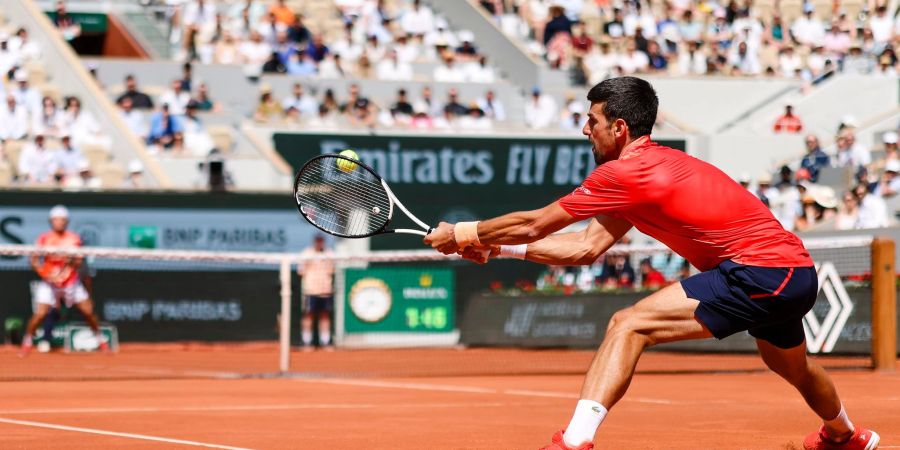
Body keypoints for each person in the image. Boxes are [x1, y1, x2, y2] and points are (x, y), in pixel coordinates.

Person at [424, 77, 879, 450]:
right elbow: (584, 247)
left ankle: (574, 442)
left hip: (758, 272)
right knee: (792, 368)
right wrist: (497, 249)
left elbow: (536, 224)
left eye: (592, 121)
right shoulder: (646, 172)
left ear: (618, 127)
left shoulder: (623, 173)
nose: (586, 130)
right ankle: (844, 435)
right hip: (794, 273)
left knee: (628, 324)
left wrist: (464, 232)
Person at [21, 206, 107, 356]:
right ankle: (27, 341)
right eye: (56, 220)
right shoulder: (44, 238)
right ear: (51, 221)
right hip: (49, 283)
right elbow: (33, 260)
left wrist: (70, 263)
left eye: (62, 220)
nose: (59, 223)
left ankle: (101, 339)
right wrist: (46, 274)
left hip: (71, 282)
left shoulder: (74, 239)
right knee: (40, 314)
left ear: (66, 222)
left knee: (88, 311)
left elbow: (78, 262)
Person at [297, 235, 334, 349]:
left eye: (321, 241)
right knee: (308, 316)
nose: (319, 243)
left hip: (325, 290)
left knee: (325, 315)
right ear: (314, 242)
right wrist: (310, 263)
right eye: (317, 241)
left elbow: (332, 270)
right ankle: (306, 342)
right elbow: (300, 271)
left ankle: (325, 342)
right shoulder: (306, 253)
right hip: (310, 290)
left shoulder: (329, 253)